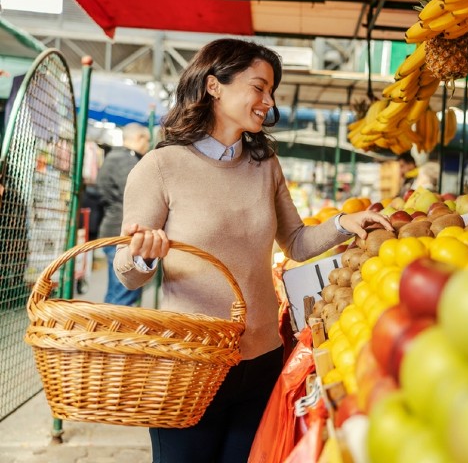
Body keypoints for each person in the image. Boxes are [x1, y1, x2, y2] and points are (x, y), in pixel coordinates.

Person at [112, 38, 391, 463]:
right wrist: (144, 254)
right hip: (193, 363)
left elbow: (295, 242)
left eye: (271, 91)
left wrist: (342, 224)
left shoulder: (265, 164)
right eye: (259, 87)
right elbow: (126, 271)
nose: (269, 101)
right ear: (214, 86)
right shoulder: (160, 167)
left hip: (261, 359)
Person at [96, 122, 151, 305]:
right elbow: (138, 194)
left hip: (114, 228)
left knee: (116, 291)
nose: (148, 146)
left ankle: (106, 323)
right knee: (124, 292)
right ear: (139, 138)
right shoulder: (125, 160)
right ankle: (112, 324)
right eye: (147, 141)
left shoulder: (114, 157)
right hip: (121, 232)